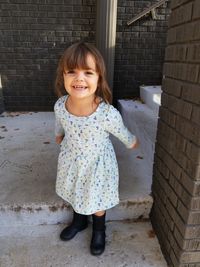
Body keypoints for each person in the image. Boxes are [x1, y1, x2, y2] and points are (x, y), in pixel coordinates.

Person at [54, 41, 139, 256]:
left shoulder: (106, 113)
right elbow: (60, 122)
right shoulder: (60, 105)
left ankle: (99, 230)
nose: (79, 78)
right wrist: (58, 135)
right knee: (76, 190)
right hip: (72, 159)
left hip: (97, 165)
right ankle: (79, 222)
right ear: (63, 76)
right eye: (71, 71)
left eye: (88, 72)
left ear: (99, 78)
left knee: (96, 198)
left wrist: (131, 142)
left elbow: (121, 131)